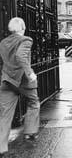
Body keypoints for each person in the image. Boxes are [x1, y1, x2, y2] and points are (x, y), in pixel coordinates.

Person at [0, 17, 40, 157]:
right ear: (22, 28)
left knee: (5, 114)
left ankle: (1, 146)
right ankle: (30, 132)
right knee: (33, 103)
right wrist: (30, 73)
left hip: (7, 81)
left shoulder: (3, 42)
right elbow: (20, 56)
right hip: (24, 82)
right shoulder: (26, 40)